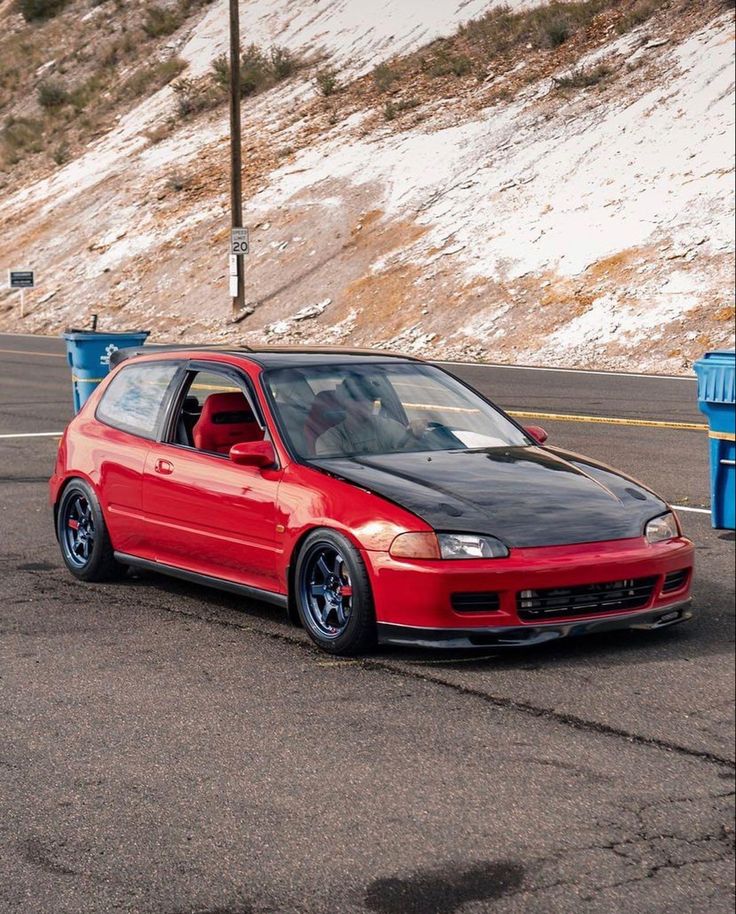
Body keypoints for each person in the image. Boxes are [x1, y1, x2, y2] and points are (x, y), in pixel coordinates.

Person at [315, 375, 426, 457]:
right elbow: (337, 473)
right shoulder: (330, 439)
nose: (366, 404)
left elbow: (409, 455)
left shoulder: (386, 426)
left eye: (370, 398)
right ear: (345, 401)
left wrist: (415, 435)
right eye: (358, 399)